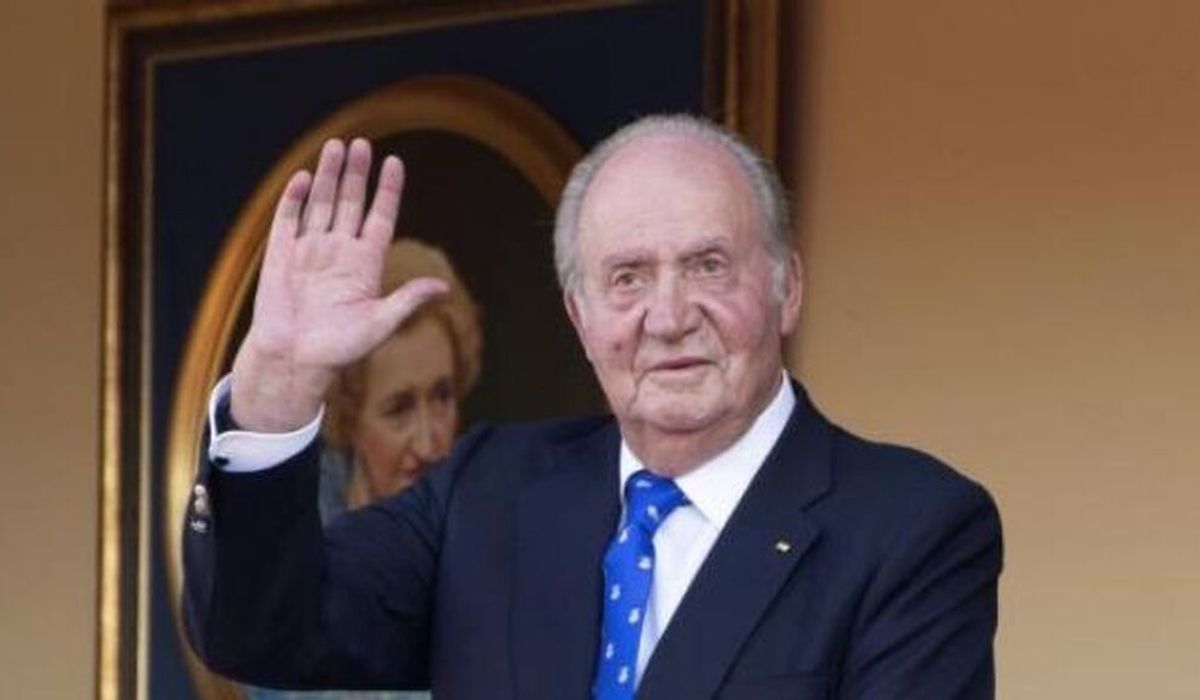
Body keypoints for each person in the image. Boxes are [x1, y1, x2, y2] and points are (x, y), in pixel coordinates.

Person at [184, 115, 1002, 699]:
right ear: (579, 319)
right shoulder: (486, 493)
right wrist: (278, 385)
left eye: (709, 266)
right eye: (627, 278)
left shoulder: (912, 528)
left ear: (787, 287)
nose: (669, 316)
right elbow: (260, 634)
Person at [244, 238, 480, 700]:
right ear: (347, 416)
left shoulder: (494, 550)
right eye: (399, 409)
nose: (430, 442)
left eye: (442, 396)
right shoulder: (294, 579)